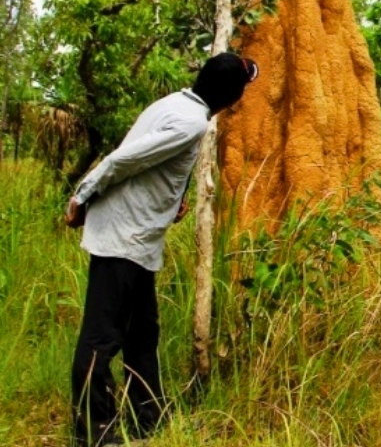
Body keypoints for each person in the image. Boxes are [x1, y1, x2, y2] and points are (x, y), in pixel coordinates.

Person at [66, 53, 259, 447]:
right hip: (124, 238)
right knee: (102, 336)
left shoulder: (176, 103)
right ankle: (95, 431)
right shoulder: (191, 123)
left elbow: (151, 163)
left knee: (142, 333)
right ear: (231, 96)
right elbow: (125, 159)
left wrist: (173, 203)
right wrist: (81, 196)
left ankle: (147, 416)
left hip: (137, 237)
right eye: (241, 89)